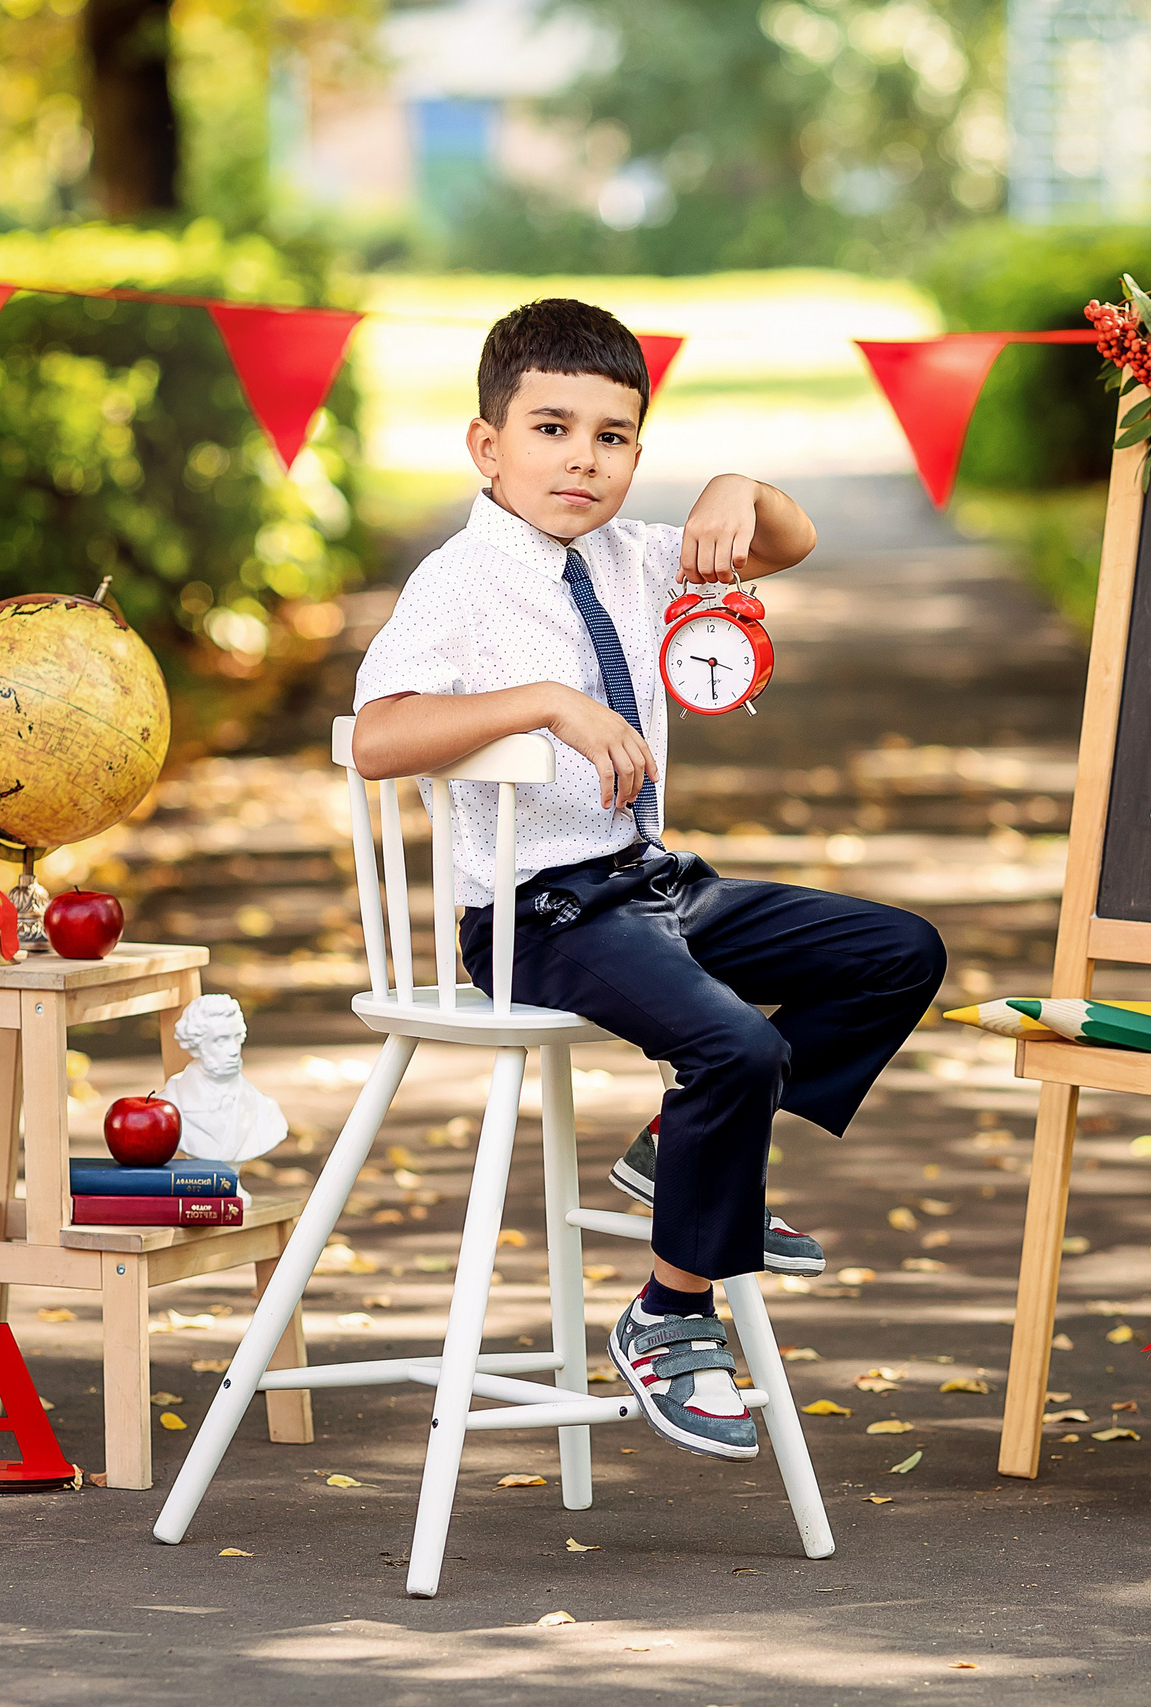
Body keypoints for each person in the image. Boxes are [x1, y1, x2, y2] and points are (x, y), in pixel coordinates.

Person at [351, 299, 945, 1461]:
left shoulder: (632, 556)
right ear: (488, 446)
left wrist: (737, 484)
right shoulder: (459, 583)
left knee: (897, 953)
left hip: (656, 884)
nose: (583, 458)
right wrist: (544, 703)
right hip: (536, 913)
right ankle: (671, 1313)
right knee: (738, 1047)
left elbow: (789, 540)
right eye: (552, 428)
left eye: (614, 436)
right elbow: (377, 738)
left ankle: (680, 1154)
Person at [163, 994, 290, 1165]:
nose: (233, 1051)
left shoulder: (266, 1110)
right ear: (196, 1045)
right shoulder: (170, 1104)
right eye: (220, 1040)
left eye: (236, 1038)